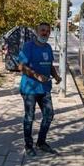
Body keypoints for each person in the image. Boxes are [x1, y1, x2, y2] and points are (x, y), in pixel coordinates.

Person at [18, 22, 62, 156]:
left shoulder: (48, 47)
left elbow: (50, 65)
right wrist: (37, 76)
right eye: (43, 30)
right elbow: (21, 67)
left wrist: (56, 76)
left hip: (44, 89)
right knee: (29, 117)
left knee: (49, 115)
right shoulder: (28, 47)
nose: (45, 33)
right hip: (29, 89)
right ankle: (28, 145)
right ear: (37, 32)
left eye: (48, 31)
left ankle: (41, 142)